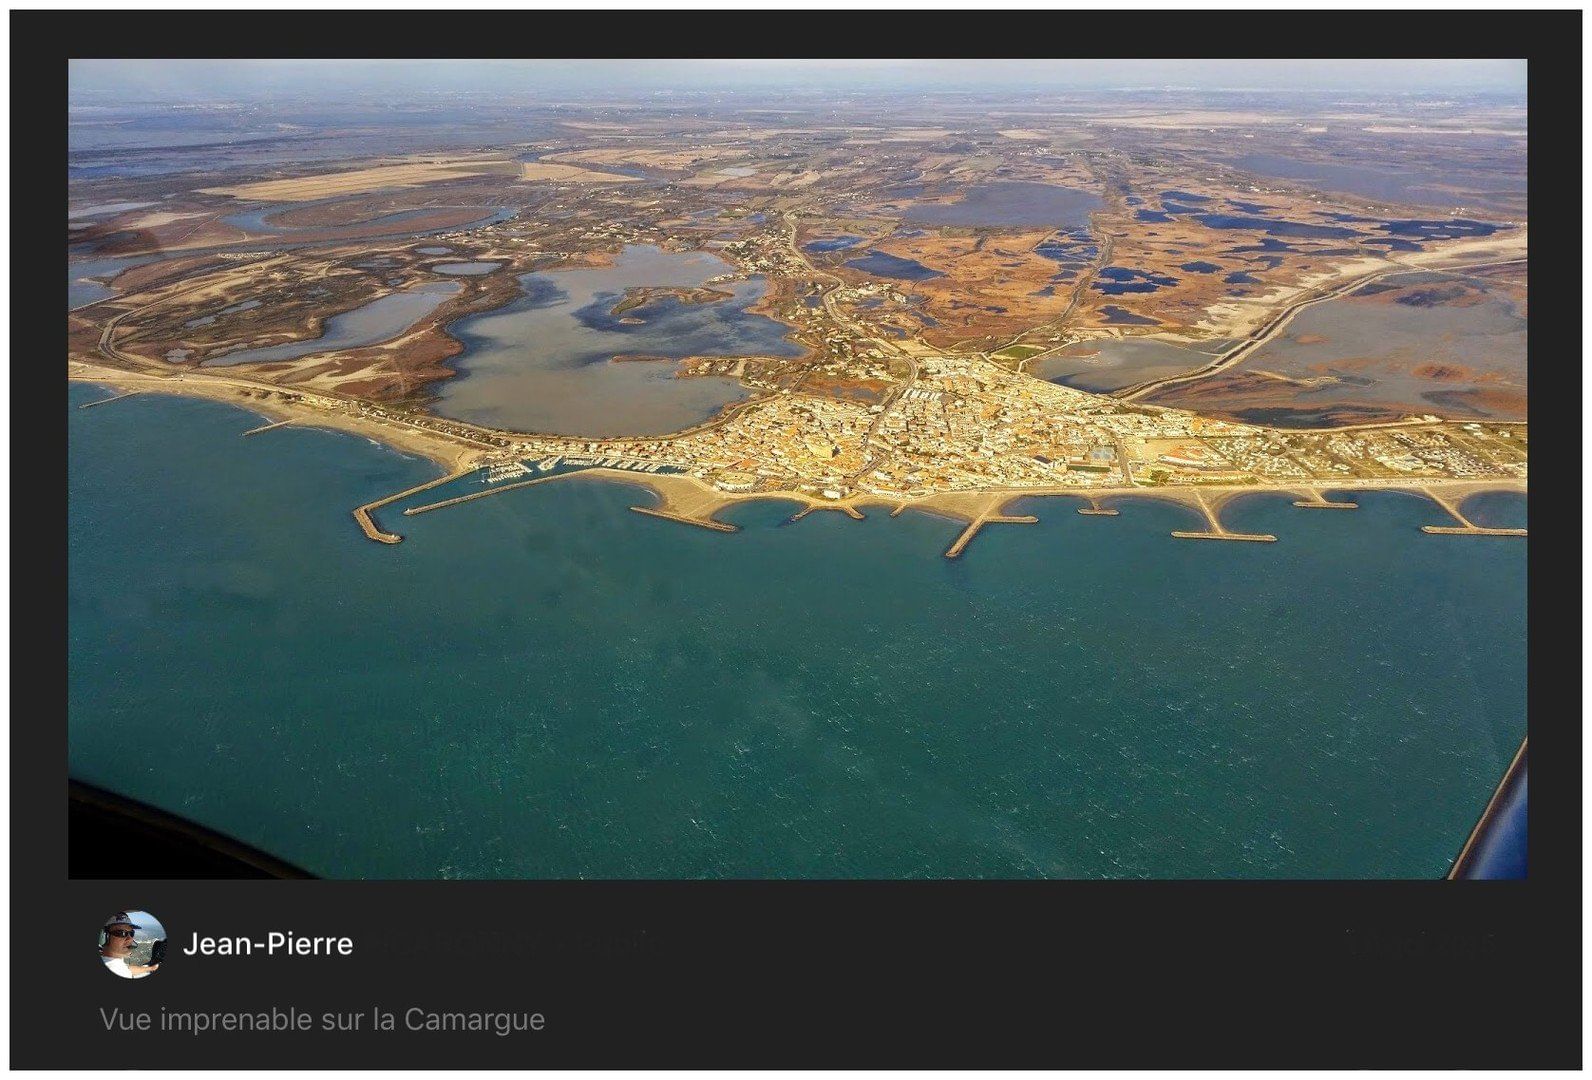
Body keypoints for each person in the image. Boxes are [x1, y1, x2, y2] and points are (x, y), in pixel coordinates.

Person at [100, 913, 158, 979]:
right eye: (121, 933)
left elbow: (127, 968)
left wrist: (151, 968)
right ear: (104, 937)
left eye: (131, 933)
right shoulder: (117, 970)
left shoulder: (116, 963)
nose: (130, 939)